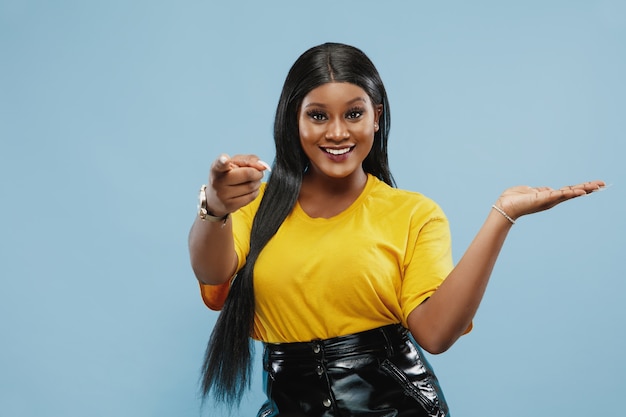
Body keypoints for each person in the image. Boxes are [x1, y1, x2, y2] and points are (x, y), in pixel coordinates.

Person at [188, 42, 604, 417]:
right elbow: (212, 273)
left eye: (354, 113)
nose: (336, 132)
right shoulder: (256, 206)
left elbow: (436, 334)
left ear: (376, 117)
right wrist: (216, 209)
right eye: (317, 115)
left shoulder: (413, 214)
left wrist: (502, 217)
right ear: (294, 121)